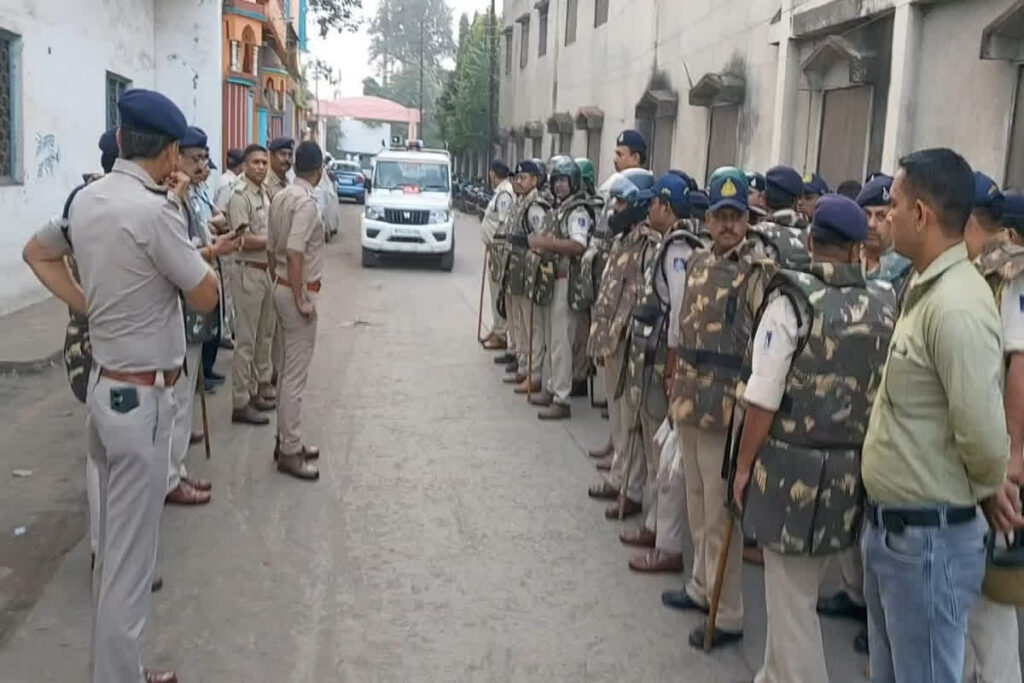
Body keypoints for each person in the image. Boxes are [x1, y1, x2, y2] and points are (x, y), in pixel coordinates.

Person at [23, 88, 220, 683]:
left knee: (112, 552)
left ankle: (119, 668)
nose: (181, 165)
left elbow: (37, 253)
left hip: (106, 391)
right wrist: (187, 244)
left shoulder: (85, 200)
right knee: (130, 567)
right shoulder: (153, 211)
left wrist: (89, 307)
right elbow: (205, 293)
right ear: (164, 153)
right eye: (178, 154)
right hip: (142, 403)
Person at [861, 148, 1021, 683]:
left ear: (923, 215)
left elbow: (983, 435)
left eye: (894, 204)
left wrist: (989, 482)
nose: (885, 215)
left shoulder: (955, 305)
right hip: (897, 537)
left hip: (926, 545)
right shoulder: (927, 287)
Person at [732, 194, 897, 683]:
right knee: (799, 588)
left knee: (792, 601)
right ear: (854, 250)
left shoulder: (791, 300)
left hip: (790, 470)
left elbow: (763, 396)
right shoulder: (885, 300)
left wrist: (743, 467)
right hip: (851, 469)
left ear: (810, 242)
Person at [661, 172, 773, 650]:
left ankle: (726, 614)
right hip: (690, 395)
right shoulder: (700, 262)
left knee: (720, 512)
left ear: (747, 220)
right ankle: (701, 587)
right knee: (696, 502)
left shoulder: (759, 271)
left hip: (727, 405)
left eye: (736, 216)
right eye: (720, 216)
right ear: (706, 219)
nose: (728, 225)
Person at [619, 172, 706, 573]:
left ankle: (667, 543)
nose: (649, 208)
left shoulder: (678, 247)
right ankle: (655, 525)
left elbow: (679, 315)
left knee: (665, 454)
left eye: (654, 202)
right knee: (656, 449)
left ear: (666, 207)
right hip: (656, 354)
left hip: (668, 359)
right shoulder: (677, 241)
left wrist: (672, 368)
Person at [963, 171, 1024, 683]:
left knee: (991, 591)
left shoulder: (1009, 275)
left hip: (1001, 458)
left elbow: (1020, 364)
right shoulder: (985, 270)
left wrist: (1012, 458)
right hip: (986, 452)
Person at [586, 167, 656, 520]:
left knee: (631, 423)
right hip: (610, 339)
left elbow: (645, 298)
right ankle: (618, 476)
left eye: (623, 201)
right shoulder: (621, 238)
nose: (615, 207)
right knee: (617, 419)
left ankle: (631, 490)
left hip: (630, 344)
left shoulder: (649, 244)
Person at [586, 130, 649, 463]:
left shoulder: (647, 240)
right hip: (610, 321)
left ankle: (623, 464)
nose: (616, 158)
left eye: (621, 153)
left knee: (626, 404)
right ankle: (615, 446)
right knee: (613, 398)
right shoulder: (622, 229)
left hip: (627, 331)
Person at [268, 140, 325, 481]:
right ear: (319, 171)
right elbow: (293, 251)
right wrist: (302, 297)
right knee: (294, 376)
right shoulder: (305, 204)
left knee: (286, 367)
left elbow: (273, 246)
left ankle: (286, 439)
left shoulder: (281, 196)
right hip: (295, 291)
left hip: (279, 285)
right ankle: (289, 449)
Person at [525, 157, 592, 419]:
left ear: (574, 182)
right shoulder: (558, 208)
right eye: (556, 181)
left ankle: (562, 398)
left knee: (561, 342)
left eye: (564, 180)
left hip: (566, 280)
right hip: (550, 280)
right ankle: (552, 387)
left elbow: (578, 245)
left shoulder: (577, 212)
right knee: (552, 338)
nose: (560, 185)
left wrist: (546, 243)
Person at [228, 144, 277, 424]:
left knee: (264, 336)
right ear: (244, 165)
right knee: (246, 340)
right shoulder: (240, 195)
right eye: (255, 162)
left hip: (265, 271)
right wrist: (275, 241)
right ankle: (240, 400)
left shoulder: (264, 193)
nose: (260, 167)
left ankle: (258, 387)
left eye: (263, 162)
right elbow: (241, 239)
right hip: (247, 271)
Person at [501, 159, 548, 394]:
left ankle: (534, 372)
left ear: (535, 180)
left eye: (523, 178)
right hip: (514, 267)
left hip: (528, 270)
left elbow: (540, 240)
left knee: (532, 325)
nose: (518, 182)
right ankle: (522, 363)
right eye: (517, 178)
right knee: (518, 320)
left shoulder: (536, 206)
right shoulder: (520, 202)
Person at [569, 157, 602, 399]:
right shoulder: (597, 204)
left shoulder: (589, 208)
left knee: (582, 327)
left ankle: (580, 375)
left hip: (588, 273)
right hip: (589, 273)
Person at [481, 160, 515, 352]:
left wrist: (493, 243)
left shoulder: (504, 194)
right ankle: (496, 329)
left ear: (493, 174)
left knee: (498, 292)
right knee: (494, 292)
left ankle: (501, 333)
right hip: (494, 249)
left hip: (499, 251)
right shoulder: (501, 191)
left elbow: (504, 224)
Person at [266, 136, 294, 200]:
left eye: (290, 155)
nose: (287, 159)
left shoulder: (290, 182)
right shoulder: (265, 183)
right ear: (271, 156)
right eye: (283, 154)